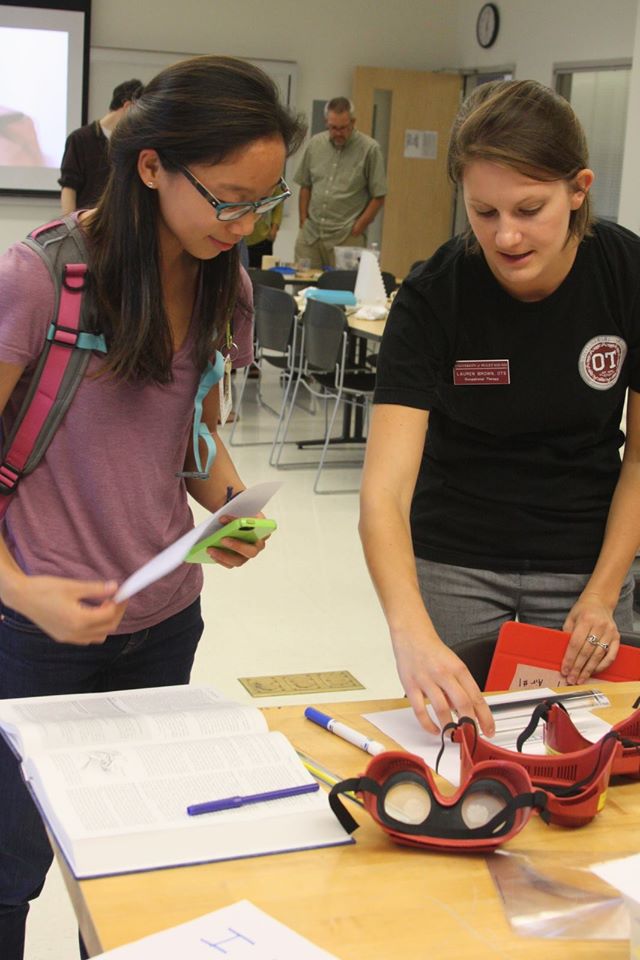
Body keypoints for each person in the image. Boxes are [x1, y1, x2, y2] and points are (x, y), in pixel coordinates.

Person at [0, 55, 305, 960]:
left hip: (164, 620)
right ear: (149, 167)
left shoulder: (225, 280)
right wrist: (23, 593)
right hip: (34, 631)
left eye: (263, 201)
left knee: (140, 866)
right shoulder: (39, 279)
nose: (244, 223)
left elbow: (196, 442)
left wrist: (232, 512)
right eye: (225, 199)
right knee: (11, 865)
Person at [359, 79, 640, 740]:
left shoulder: (627, 275)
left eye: (529, 208)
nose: (506, 236)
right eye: (483, 213)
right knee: (460, 752)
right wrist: (411, 632)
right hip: (456, 566)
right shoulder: (434, 295)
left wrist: (603, 593)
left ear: (579, 189)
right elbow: (384, 493)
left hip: (587, 567)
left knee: (594, 761)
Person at [294, 96, 387, 269]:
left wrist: (359, 227)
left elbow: (379, 196)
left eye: (343, 128)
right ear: (326, 122)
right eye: (333, 127)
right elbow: (305, 185)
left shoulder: (369, 149)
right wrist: (303, 220)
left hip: (346, 236)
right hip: (311, 235)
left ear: (353, 122)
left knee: (342, 290)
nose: (338, 133)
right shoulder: (315, 144)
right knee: (302, 289)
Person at [58, 77, 144, 214]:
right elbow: (69, 187)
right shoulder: (80, 139)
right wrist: (70, 227)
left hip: (122, 223)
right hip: (87, 224)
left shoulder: (134, 143)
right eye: (139, 112)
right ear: (128, 106)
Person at [246, 202, 283, 267]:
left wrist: (274, 228)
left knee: (261, 272)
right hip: (237, 239)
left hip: (262, 236)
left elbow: (278, 203)